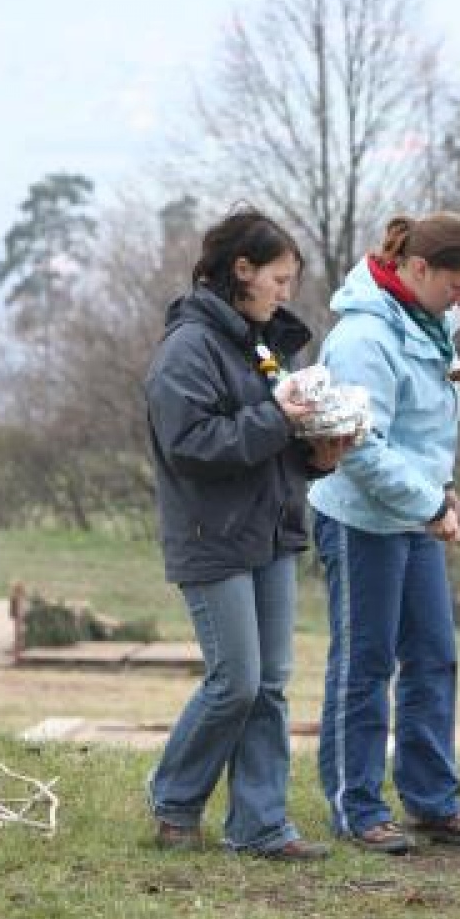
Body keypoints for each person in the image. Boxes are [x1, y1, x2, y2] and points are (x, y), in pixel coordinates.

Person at [144, 206, 354, 861]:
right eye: (280, 278)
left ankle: (260, 826)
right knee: (234, 680)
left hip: (270, 533)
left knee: (269, 685)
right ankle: (173, 799)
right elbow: (192, 445)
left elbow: (265, 441)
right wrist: (277, 417)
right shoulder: (187, 350)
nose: (286, 293)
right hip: (212, 536)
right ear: (243, 271)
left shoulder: (260, 345)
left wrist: (314, 456)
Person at [311, 212, 460, 853]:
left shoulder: (433, 324)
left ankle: (432, 801)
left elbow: (427, 431)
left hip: (416, 513)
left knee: (432, 657)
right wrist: (428, 501)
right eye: (456, 284)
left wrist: (441, 490)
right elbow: (358, 448)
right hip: (362, 521)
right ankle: (356, 807)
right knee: (365, 664)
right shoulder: (364, 338)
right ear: (417, 268)